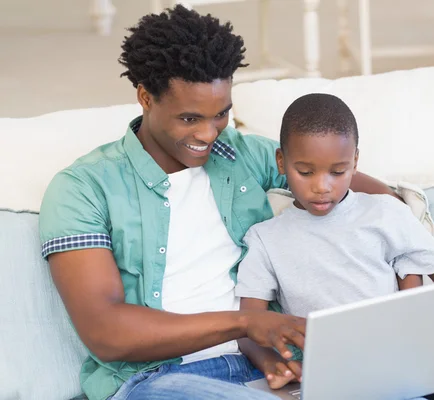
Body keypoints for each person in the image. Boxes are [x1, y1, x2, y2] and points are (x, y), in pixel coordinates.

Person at [38, 6, 411, 400]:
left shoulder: (240, 155)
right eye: (188, 118)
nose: (208, 133)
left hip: (268, 365)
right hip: (160, 380)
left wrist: (400, 234)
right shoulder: (84, 188)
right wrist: (245, 323)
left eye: (221, 114)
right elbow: (106, 332)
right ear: (145, 97)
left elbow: (348, 182)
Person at [235, 93, 434, 400]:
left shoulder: (386, 213)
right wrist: (272, 363)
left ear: (355, 162)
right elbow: (248, 328)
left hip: (409, 358)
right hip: (335, 377)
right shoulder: (265, 239)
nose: (322, 186)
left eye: (338, 172)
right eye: (305, 171)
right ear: (281, 162)